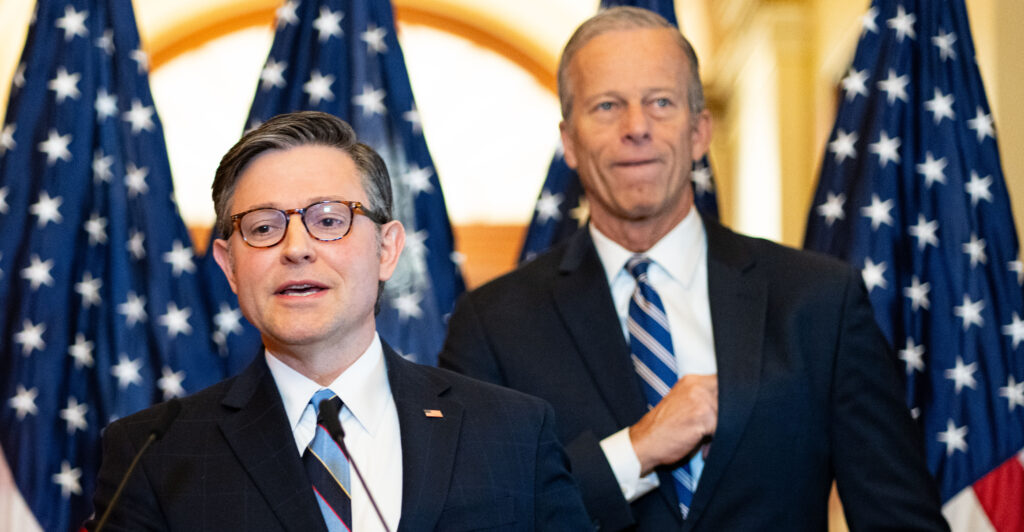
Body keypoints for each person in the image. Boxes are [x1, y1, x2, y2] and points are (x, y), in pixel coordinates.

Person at [440, 7, 948, 531]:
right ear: (569, 141)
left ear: (699, 131)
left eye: (661, 102)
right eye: (607, 105)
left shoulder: (818, 300)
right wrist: (634, 452)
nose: (636, 127)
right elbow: (476, 519)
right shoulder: (492, 324)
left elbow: (899, 519)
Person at [87, 111, 590, 531]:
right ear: (229, 266)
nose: (297, 248)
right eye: (264, 227)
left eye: (329, 220)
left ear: (387, 250)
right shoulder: (152, 455)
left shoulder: (512, 431)